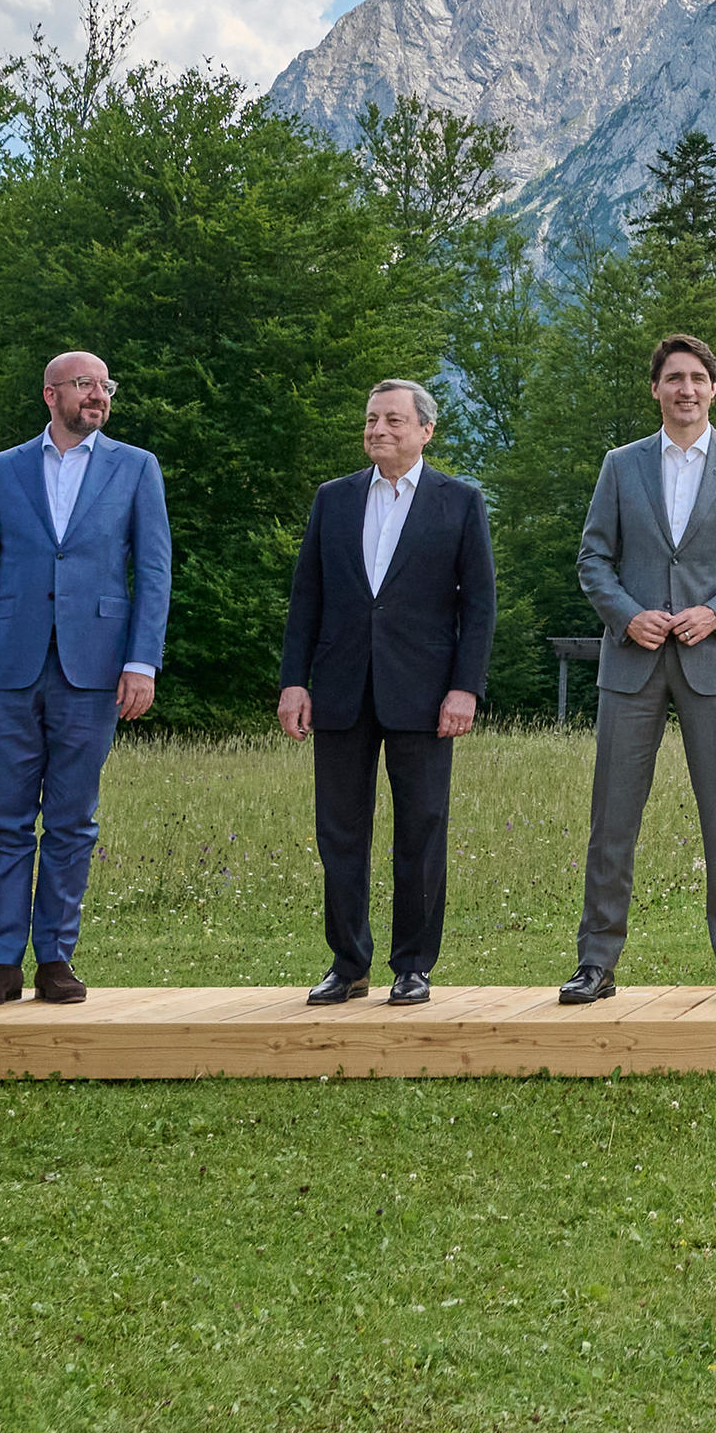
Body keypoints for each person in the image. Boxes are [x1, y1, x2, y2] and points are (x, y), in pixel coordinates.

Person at [0, 350, 171, 1008]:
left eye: (105, 385)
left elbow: (153, 572)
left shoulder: (136, 468)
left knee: (73, 820)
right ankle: (1, 963)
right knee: (6, 818)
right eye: (84, 384)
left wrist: (141, 661)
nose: (97, 394)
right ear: (51, 394)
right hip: (8, 665)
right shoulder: (1, 469)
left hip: (96, 667)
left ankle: (56, 959)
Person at [565, 333, 716, 1004]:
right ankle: (596, 963)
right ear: (655, 388)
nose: (686, 389)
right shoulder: (621, 465)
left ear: (713, 389)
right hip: (631, 663)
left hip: (713, 662)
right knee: (613, 818)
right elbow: (593, 559)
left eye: (697, 378)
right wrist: (627, 614)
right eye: (674, 378)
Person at [278, 380, 499, 1008]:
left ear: (426, 431)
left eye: (394, 421)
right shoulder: (334, 500)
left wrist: (464, 689)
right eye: (372, 419)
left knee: (421, 830)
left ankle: (413, 966)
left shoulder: (459, 502)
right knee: (340, 832)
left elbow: (479, 608)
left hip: (426, 695)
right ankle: (348, 963)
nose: (379, 430)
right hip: (341, 690)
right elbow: (307, 599)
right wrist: (294, 680)